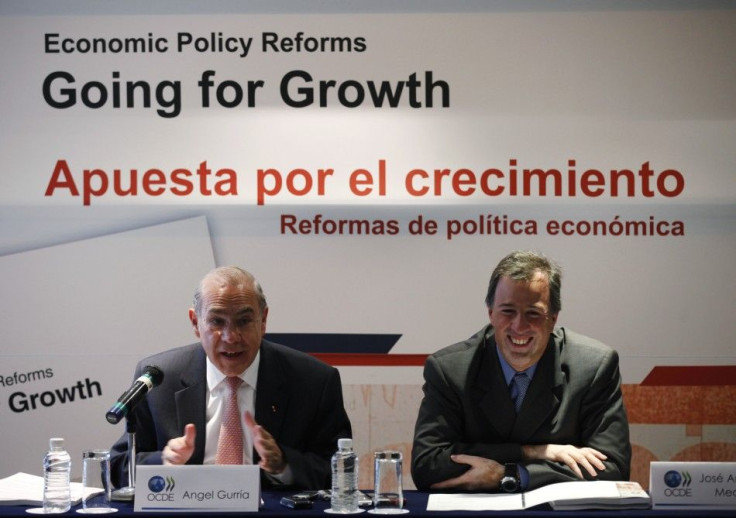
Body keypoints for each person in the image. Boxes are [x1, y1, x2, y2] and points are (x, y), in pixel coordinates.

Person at [110, 266, 352, 490]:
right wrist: (164, 460)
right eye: (216, 321)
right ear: (196, 323)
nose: (231, 336)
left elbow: (341, 471)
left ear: (263, 320)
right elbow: (116, 470)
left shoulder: (313, 380)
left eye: (244, 321)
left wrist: (283, 464)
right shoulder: (159, 379)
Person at [411, 250, 631, 491]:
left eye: (533, 313)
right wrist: (535, 452)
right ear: (491, 314)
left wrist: (513, 475)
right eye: (508, 311)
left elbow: (612, 468)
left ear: (553, 318)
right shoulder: (449, 370)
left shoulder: (594, 366)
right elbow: (427, 466)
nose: (519, 326)